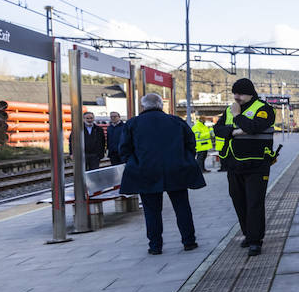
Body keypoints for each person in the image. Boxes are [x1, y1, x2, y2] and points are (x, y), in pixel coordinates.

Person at [118, 93, 205, 255]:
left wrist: (134, 163)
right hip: (176, 170)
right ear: (160, 105)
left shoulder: (133, 123)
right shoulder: (176, 121)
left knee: (151, 211)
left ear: (143, 106)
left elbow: (124, 149)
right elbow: (191, 143)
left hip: (146, 171)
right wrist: (184, 159)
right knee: (182, 207)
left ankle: (155, 246)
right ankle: (189, 241)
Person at [213, 77, 276, 256]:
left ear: (250, 94)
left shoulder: (264, 109)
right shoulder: (229, 109)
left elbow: (254, 127)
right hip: (233, 164)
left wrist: (237, 116)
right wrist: (234, 131)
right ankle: (248, 234)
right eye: (234, 93)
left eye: (240, 93)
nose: (236, 97)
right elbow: (218, 129)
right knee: (238, 201)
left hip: (256, 164)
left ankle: (256, 240)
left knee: (254, 202)